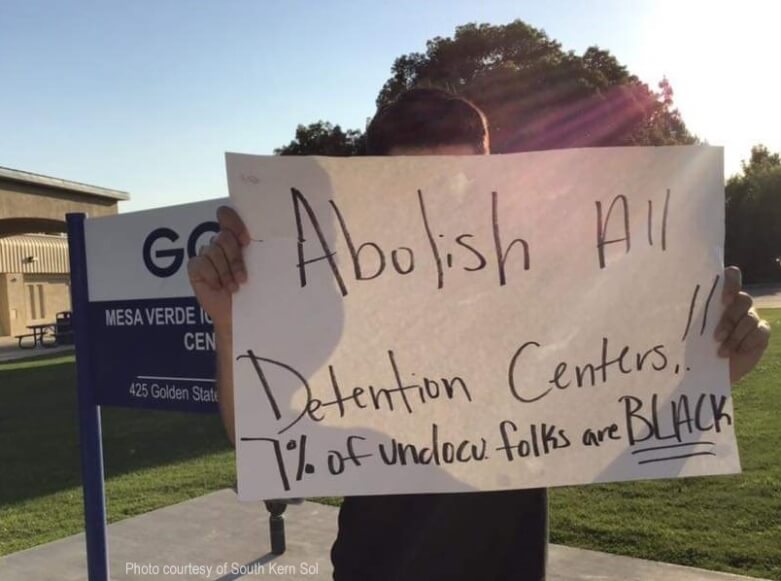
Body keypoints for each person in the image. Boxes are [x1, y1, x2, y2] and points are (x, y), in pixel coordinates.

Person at [187, 88, 772, 581]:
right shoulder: (327, 302)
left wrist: (710, 370)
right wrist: (231, 325)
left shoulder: (534, 296)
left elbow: (602, 414)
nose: (440, 205)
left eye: (461, 182)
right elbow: (262, 447)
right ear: (371, 186)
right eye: (416, 183)